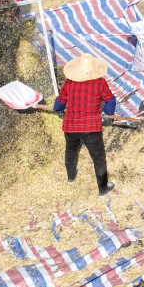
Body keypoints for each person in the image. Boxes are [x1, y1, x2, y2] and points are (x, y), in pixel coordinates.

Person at [51, 55, 117, 196]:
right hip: (91, 128)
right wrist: (107, 113)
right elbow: (110, 100)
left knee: (71, 152)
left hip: (71, 127)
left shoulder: (69, 83)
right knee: (98, 158)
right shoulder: (99, 83)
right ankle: (103, 188)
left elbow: (60, 102)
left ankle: (71, 177)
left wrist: (57, 109)